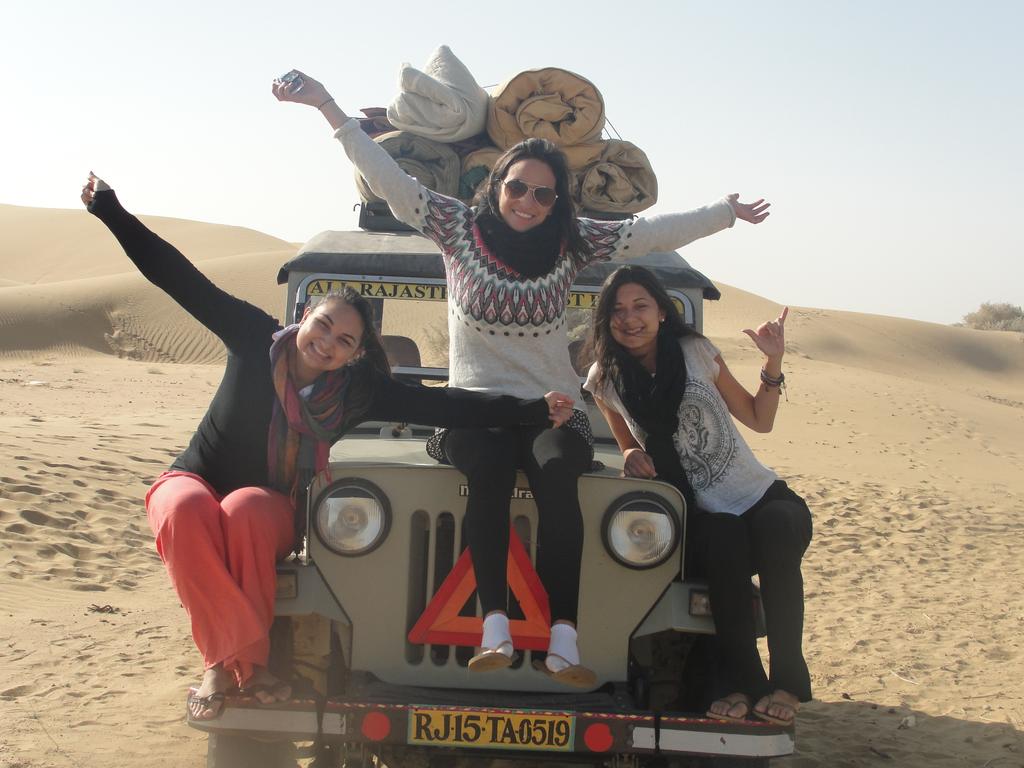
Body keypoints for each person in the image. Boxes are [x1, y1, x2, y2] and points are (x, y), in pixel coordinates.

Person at [273, 70, 770, 688]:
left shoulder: (571, 243)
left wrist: (724, 214)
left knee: (559, 474)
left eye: (543, 194)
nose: (528, 202)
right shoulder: (455, 228)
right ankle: (494, 626)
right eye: (517, 187)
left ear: (557, 201)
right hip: (472, 409)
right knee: (485, 468)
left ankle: (563, 636)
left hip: (550, 408)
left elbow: (647, 234)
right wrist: (327, 105)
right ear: (498, 184)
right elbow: (389, 180)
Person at [80, 174, 575, 720]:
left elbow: (447, 406)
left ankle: (232, 664)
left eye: (345, 341)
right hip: (195, 476)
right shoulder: (252, 338)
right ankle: (231, 664)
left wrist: (531, 411)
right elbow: (180, 279)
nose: (327, 343)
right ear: (302, 317)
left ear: (357, 353)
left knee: (244, 510)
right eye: (323, 326)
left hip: (270, 500)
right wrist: (110, 211)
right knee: (184, 507)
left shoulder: (356, 392)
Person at [583, 265, 811, 726]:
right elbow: (624, 440)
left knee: (777, 527)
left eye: (641, 306)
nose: (630, 319)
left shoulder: (696, 352)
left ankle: (788, 682)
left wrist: (773, 363)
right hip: (699, 513)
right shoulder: (604, 378)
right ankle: (745, 684)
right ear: (606, 320)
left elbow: (759, 419)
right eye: (618, 310)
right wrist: (630, 453)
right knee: (722, 540)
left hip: (760, 497)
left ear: (662, 312)